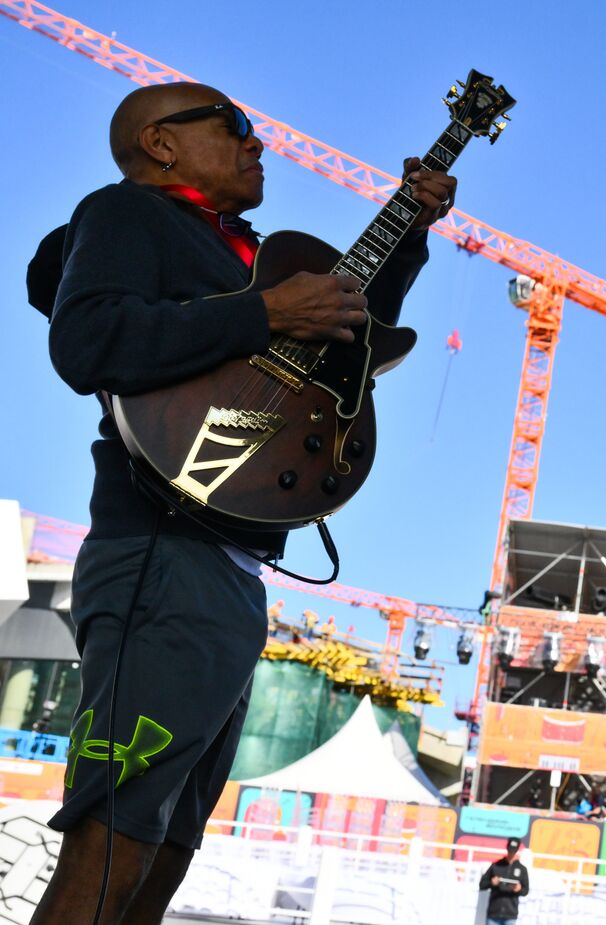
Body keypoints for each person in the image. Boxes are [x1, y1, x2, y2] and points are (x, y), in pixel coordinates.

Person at [29, 81, 455, 924]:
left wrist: (404, 235)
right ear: (160, 143)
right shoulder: (124, 214)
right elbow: (86, 341)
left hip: (228, 566)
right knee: (112, 842)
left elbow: (349, 339)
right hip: (162, 549)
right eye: (237, 127)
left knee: (162, 855)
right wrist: (263, 311)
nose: (259, 144)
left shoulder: (248, 254)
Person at [478, 836, 531, 925]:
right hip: (494, 913)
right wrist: (491, 882)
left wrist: (519, 889)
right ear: (507, 848)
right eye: (510, 850)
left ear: (517, 851)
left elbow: (525, 891)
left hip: (510, 915)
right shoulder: (496, 865)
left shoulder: (522, 869)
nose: (511, 853)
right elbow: (482, 885)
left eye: (513, 851)